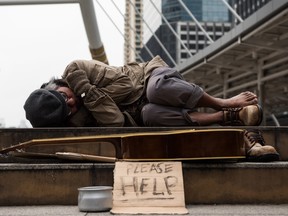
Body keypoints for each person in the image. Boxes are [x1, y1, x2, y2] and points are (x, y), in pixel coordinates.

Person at [23, 55, 279, 161]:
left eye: (64, 96)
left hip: (148, 77)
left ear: (56, 84)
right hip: (141, 114)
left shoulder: (76, 69)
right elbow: (115, 124)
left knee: (156, 91)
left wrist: (89, 97)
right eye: (67, 109)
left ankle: (224, 102)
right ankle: (227, 117)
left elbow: (125, 86)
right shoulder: (76, 116)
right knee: (151, 114)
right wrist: (86, 91)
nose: (72, 103)